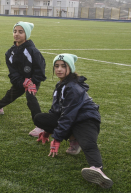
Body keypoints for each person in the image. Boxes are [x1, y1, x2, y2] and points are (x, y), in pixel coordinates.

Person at [34, 54, 113, 189]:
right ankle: (74, 140)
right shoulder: (61, 85)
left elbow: (68, 116)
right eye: (56, 66)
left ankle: (97, 168)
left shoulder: (72, 87)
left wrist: (57, 139)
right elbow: (56, 111)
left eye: (63, 66)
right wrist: (47, 131)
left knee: (88, 143)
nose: (59, 69)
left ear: (70, 68)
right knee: (39, 118)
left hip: (86, 119)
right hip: (73, 118)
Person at [0, 21, 46, 137]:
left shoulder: (33, 51)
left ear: (26, 34)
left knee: (30, 98)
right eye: (15, 31)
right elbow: (13, 72)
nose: (17, 34)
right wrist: (22, 82)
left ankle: (41, 126)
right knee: (10, 94)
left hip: (32, 81)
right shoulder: (10, 52)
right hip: (21, 81)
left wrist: (32, 82)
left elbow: (40, 69)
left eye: (21, 32)